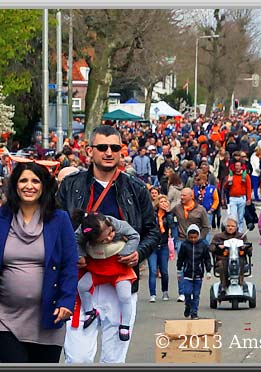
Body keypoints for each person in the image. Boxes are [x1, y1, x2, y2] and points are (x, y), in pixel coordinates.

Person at [57, 125, 160, 363]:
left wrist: (138, 253)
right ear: (89, 150)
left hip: (120, 279)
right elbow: (56, 230)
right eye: (102, 147)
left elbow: (153, 232)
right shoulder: (71, 186)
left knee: (114, 360)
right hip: (82, 283)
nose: (109, 152)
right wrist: (73, 254)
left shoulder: (135, 188)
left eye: (115, 147)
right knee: (78, 358)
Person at [0, 162, 78, 363]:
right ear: (15, 185)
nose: (29, 185)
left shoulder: (59, 219)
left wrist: (66, 300)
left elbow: (69, 265)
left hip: (48, 316)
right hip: (5, 317)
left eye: (35, 181)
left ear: (44, 186)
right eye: (23, 180)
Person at [72, 211, 140, 342]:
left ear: (110, 225)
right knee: (82, 286)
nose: (109, 238)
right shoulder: (81, 232)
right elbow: (76, 241)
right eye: (103, 240)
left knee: (125, 295)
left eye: (110, 233)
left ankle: (125, 324)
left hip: (119, 267)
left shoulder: (118, 225)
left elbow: (134, 235)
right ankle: (89, 311)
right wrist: (80, 256)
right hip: (97, 267)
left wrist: (126, 253)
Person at [171, 187, 210, 302]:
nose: (181, 197)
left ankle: (194, 290)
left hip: (196, 241)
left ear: (191, 196)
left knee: (195, 264)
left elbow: (206, 226)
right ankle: (182, 292)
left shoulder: (200, 209)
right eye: (181, 195)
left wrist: (199, 239)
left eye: (184, 195)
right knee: (182, 265)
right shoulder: (177, 208)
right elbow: (167, 213)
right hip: (182, 240)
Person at [177, 224, 212, 320]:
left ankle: (194, 312)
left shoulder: (203, 245)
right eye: (191, 237)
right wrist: (179, 271)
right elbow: (180, 258)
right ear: (188, 236)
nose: (193, 239)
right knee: (187, 293)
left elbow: (207, 259)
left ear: (199, 236)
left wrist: (208, 270)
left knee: (196, 295)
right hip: (187, 273)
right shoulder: (184, 245)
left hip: (198, 274)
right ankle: (188, 305)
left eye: (195, 237)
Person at [209, 216, 251, 294]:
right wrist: (218, 247)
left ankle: (241, 283)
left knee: (241, 263)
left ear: (236, 227)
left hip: (238, 258)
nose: (230, 228)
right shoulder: (218, 237)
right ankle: (223, 286)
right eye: (228, 226)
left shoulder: (241, 236)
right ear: (224, 227)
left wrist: (245, 247)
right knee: (222, 265)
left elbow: (249, 248)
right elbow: (211, 247)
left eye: (232, 226)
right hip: (223, 258)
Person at [148, 194, 174, 302]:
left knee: (164, 271)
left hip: (163, 245)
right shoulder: (152, 214)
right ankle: (152, 294)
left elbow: (171, 225)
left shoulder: (169, 215)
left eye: (165, 201)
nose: (164, 203)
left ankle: (165, 291)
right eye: (161, 201)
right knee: (153, 270)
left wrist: (168, 213)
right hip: (153, 246)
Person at [225, 160, 252, 232]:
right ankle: (233, 231)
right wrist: (228, 181)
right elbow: (226, 187)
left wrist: (249, 198)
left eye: (238, 166)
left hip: (242, 198)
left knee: (241, 217)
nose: (237, 167)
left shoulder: (246, 176)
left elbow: (249, 188)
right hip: (233, 198)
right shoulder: (231, 175)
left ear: (241, 167)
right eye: (236, 166)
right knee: (233, 217)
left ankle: (239, 232)